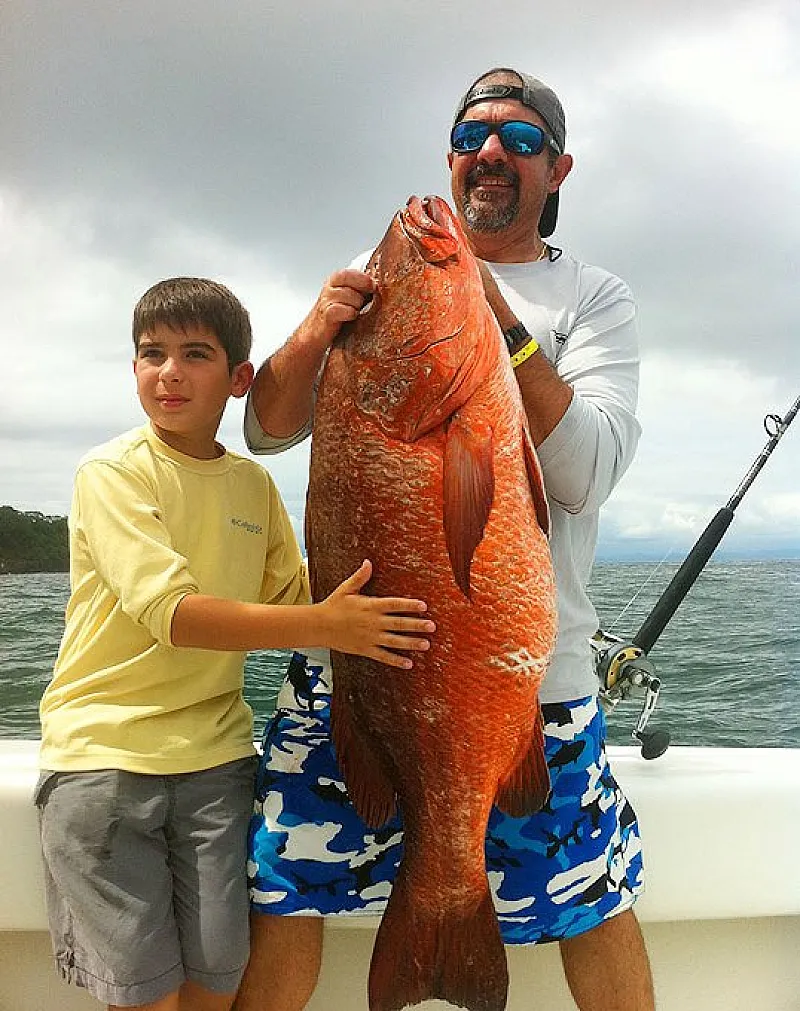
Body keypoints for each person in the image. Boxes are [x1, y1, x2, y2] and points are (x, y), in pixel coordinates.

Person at [235, 67, 655, 1011]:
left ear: (559, 166)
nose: (489, 155)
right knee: (284, 896)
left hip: (524, 676)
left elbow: (584, 474)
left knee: (593, 905)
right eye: (470, 138)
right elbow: (265, 427)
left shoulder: (594, 298)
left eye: (518, 138)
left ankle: (448, 901)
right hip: (353, 663)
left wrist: (496, 326)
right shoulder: (388, 274)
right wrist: (315, 327)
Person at [35, 276, 434, 1011]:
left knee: (217, 983)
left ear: (239, 377)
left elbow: (294, 599)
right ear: (133, 371)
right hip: (102, 764)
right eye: (151, 354)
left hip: (216, 765)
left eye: (195, 354)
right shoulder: (112, 472)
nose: (170, 372)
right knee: (147, 998)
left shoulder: (253, 487)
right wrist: (326, 624)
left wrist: (414, 573)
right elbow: (175, 613)